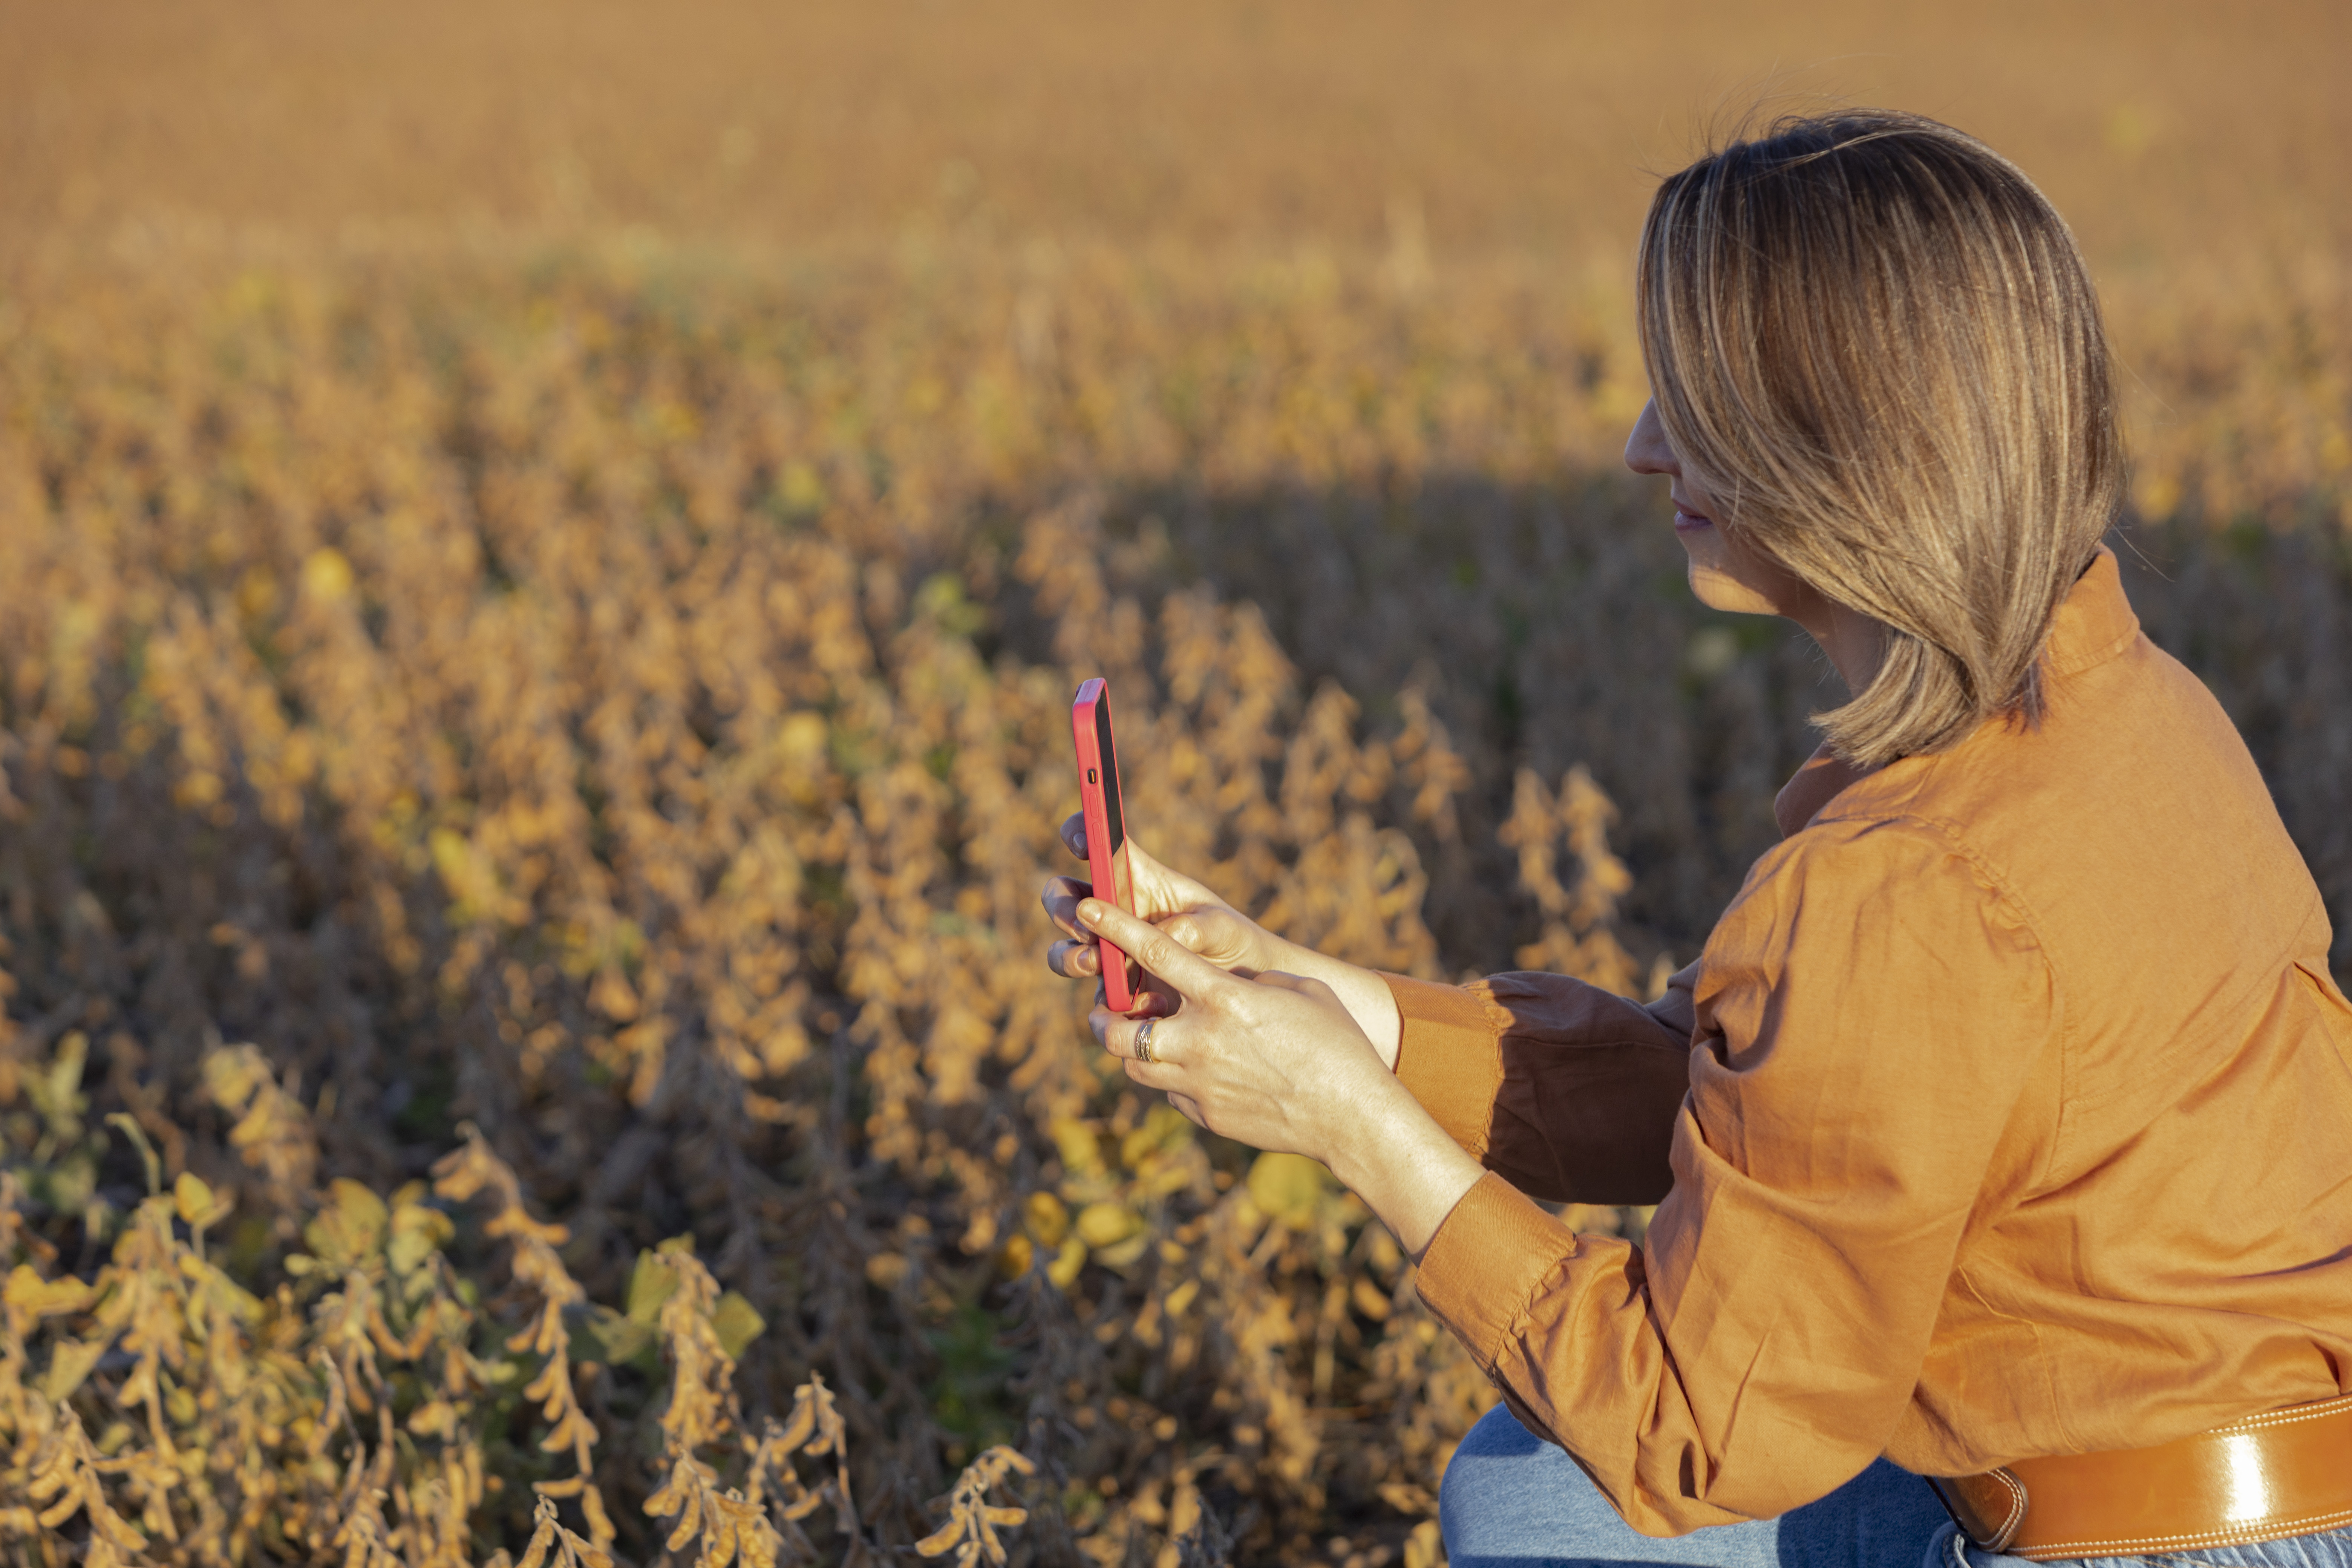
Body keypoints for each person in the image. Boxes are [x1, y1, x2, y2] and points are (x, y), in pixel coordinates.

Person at [1041, 110, 2352, 1567]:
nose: (1641, 448)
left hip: (2145, 1542)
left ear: (1849, 445)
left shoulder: (1905, 890)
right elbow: (1781, 1107)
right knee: (1535, 1491)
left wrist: (1355, 1127)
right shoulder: (2111, 692)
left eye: (1696, 401)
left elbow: (1692, 1431)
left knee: (1580, 1487)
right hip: (2260, 1479)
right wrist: (1315, 995)